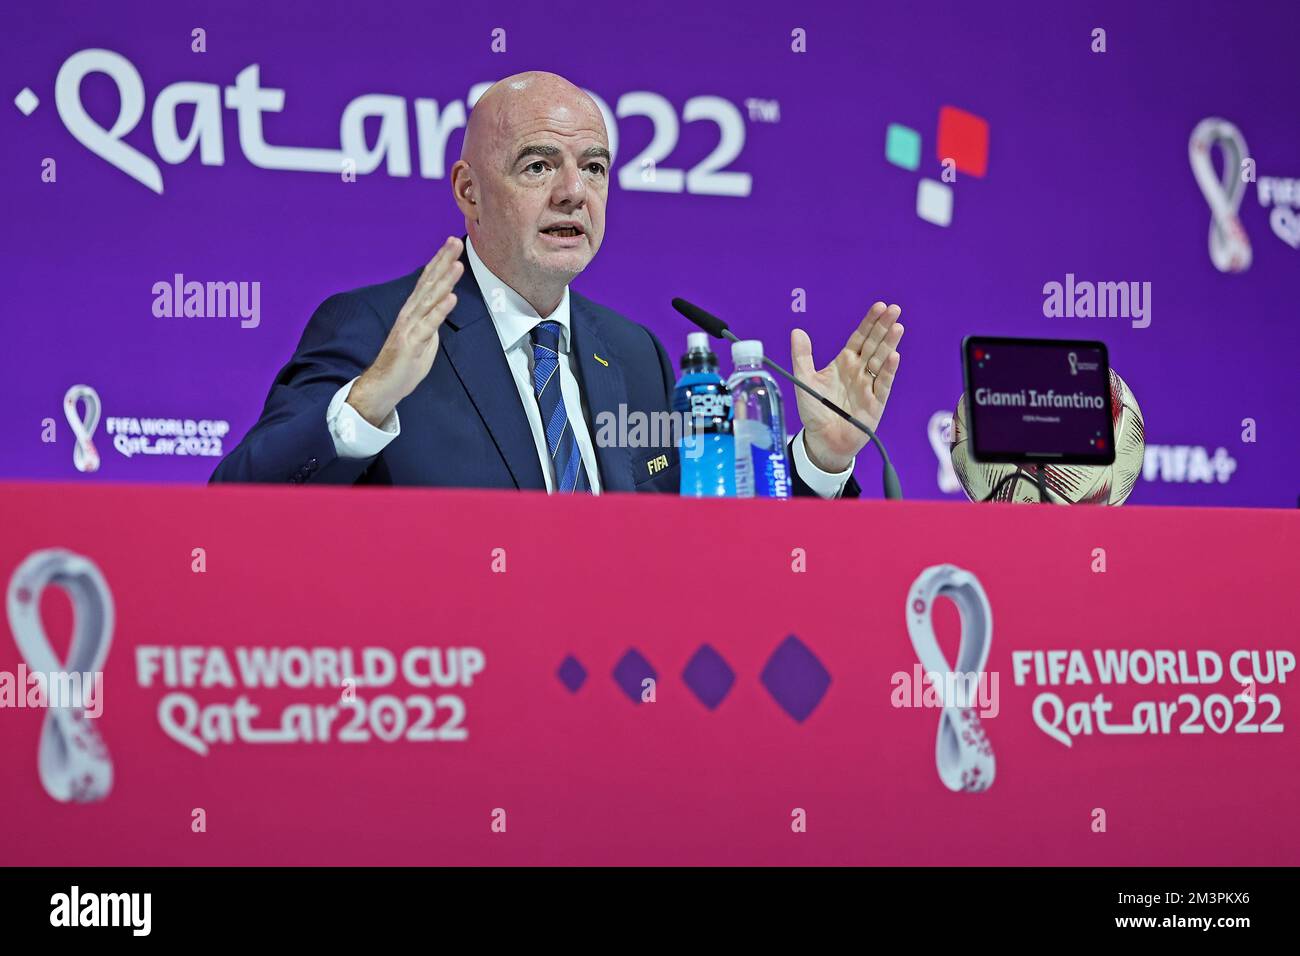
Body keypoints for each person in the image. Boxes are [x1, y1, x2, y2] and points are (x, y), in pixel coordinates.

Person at [210, 71, 904, 494]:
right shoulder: (375, 329)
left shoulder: (634, 356)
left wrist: (820, 459)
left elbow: (717, 549)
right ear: (469, 191)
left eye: (595, 168)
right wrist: (365, 404)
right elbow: (238, 504)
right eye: (539, 165)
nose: (575, 192)